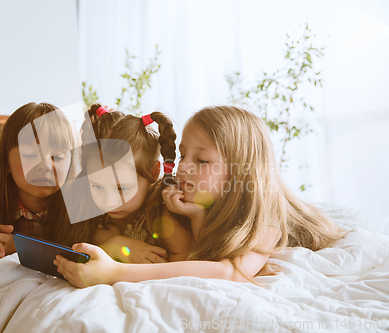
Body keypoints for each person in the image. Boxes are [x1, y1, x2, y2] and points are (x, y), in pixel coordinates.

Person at [53, 105, 347, 286]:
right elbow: (200, 248)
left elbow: (228, 273)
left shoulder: (265, 220)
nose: (183, 169)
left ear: (241, 171)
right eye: (182, 156)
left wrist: (114, 273)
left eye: (201, 161)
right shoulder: (187, 196)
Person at [64, 104, 193, 264]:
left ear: (153, 173)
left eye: (122, 188)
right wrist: (110, 245)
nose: (109, 202)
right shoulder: (88, 207)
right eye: (98, 186)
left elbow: (186, 263)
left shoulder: (162, 215)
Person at [0, 102, 81, 262]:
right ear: (6, 162)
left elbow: (80, 254)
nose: (45, 166)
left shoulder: (78, 201)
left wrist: (21, 247)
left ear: (71, 163)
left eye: (58, 157)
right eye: (30, 155)